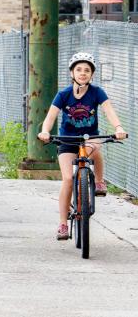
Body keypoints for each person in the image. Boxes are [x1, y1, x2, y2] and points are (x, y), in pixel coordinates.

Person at [37, 52, 127, 241]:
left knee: (95, 146)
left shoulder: (97, 92)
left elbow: (109, 110)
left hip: (88, 137)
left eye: (87, 70)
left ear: (92, 74)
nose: (83, 73)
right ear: (72, 72)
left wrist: (118, 127)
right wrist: (45, 131)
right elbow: (50, 117)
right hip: (67, 140)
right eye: (79, 69)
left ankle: (100, 181)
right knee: (68, 179)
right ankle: (63, 224)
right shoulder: (64, 95)